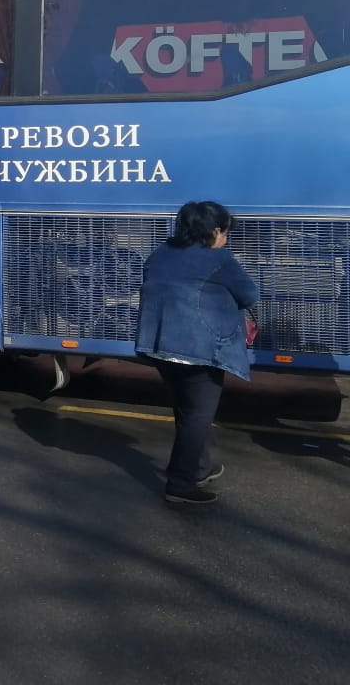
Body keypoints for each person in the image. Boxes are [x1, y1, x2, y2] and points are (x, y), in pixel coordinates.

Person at [136, 200, 260, 505]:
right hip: (199, 349)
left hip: (160, 346)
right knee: (198, 417)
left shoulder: (160, 253)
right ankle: (180, 485)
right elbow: (250, 294)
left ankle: (199, 467)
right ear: (216, 230)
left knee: (186, 411)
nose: (227, 237)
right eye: (226, 231)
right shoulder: (219, 260)